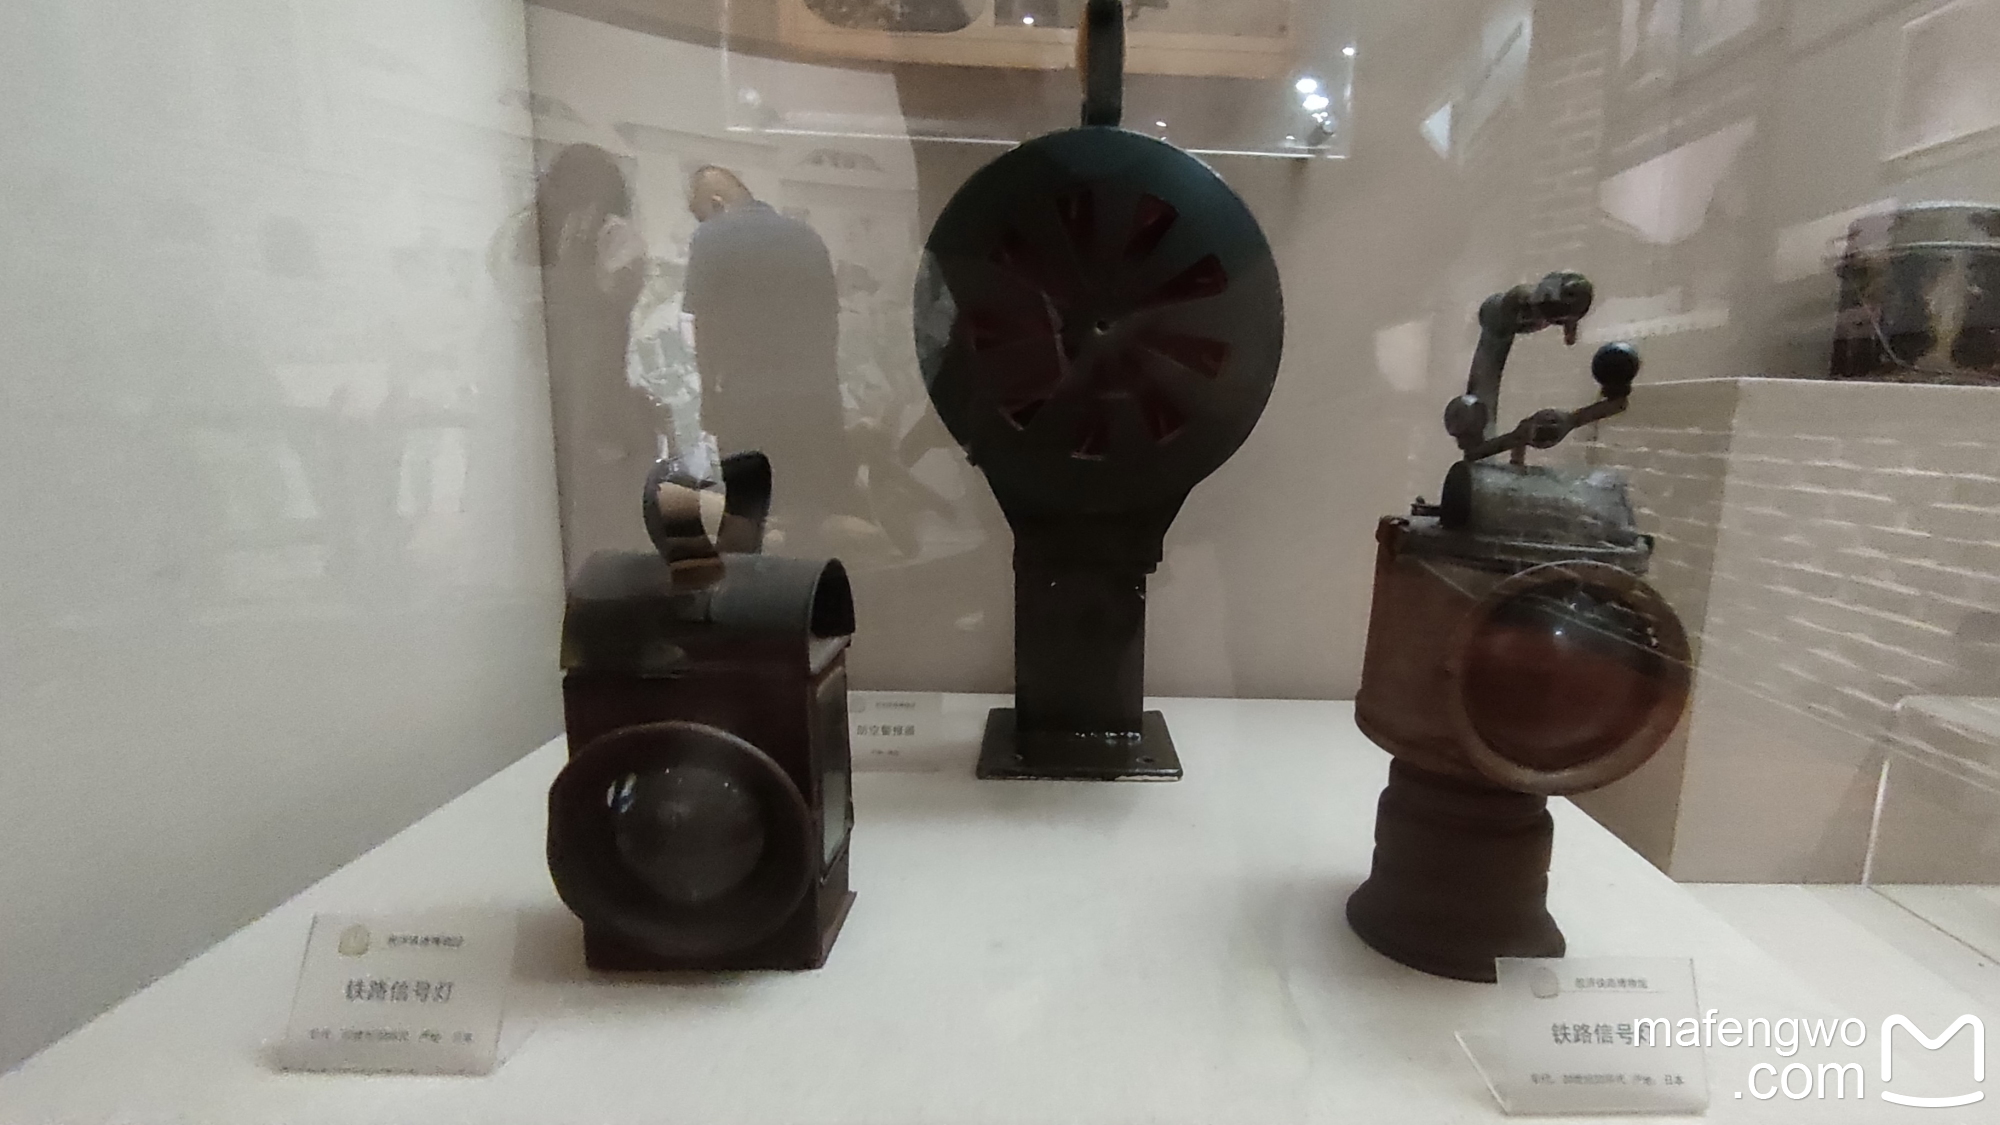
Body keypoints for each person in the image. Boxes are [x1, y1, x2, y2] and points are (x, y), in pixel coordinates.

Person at [683, 165, 866, 553]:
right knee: (819, 519)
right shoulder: (807, 236)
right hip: (816, 403)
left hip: (748, 404)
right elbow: (829, 325)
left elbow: (706, 328)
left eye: (699, 214)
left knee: (757, 522)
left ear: (715, 203)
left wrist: (709, 400)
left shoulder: (711, 236)